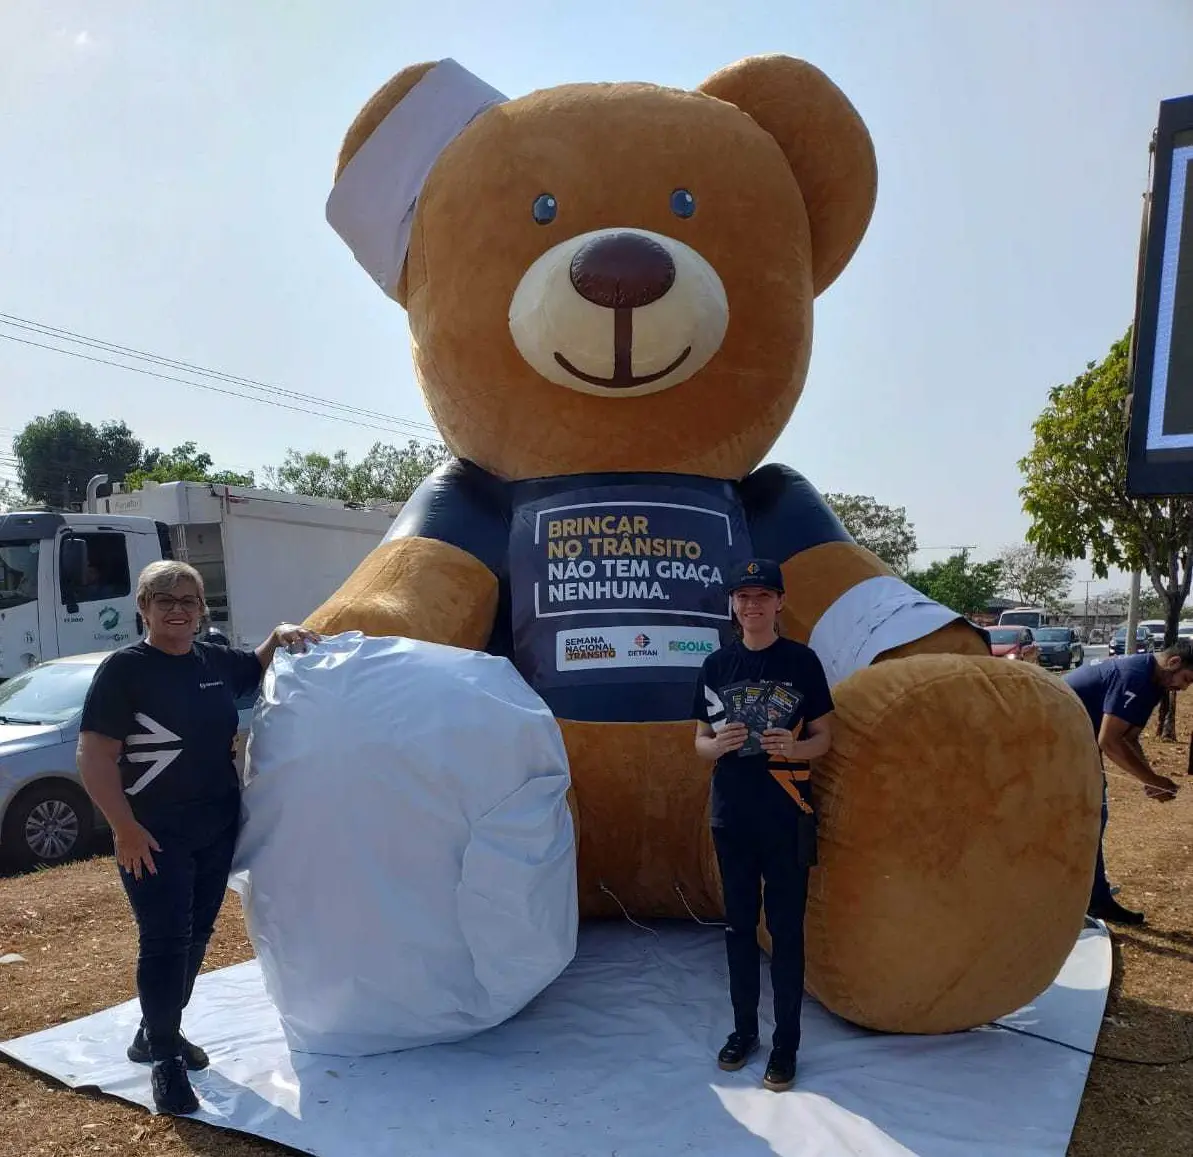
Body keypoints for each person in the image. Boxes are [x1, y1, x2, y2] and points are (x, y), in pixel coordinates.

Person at [77, 560, 319, 1116]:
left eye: (188, 599)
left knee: (195, 935)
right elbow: (94, 753)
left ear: (202, 607)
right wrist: (124, 828)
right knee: (163, 940)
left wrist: (278, 636)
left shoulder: (211, 659)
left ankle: (156, 1031)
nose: (179, 609)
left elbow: (255, 665)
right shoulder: (125, 671)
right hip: (152, 834)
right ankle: (165, 1058)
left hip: (214, 825)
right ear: (143, 607)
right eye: (165, 600)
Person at [693, 558, 833, 1092]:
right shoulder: (715, 667)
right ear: (732, 605)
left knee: (787, 931)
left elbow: (825, 736)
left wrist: (797, 747)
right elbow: (699, 742)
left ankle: (787, 1044)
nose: (752, 606)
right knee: (737, 930)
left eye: (762, 596)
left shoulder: (802, 662)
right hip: (731, 816)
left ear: (779, 603)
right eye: (743, 596)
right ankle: (744, 1031)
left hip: (786, 814)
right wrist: (717, 746)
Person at [1064, 638, 1193, 925]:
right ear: (1173, 663)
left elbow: (1129, 737)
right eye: (1186, 679)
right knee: (1091, 815)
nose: (1184, 689)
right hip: (1058, 737)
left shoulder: (1154, 683)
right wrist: (1152, 778)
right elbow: (1109, 740)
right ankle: (1091, 899)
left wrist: (1151, 781)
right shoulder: (1135, 676)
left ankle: (1093, 896)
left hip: (1078, 740)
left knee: (1095, 815)